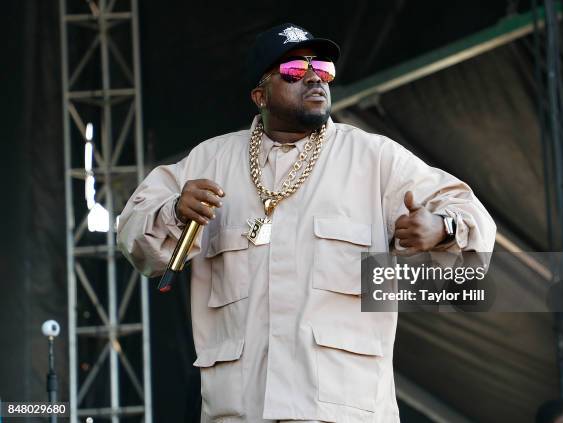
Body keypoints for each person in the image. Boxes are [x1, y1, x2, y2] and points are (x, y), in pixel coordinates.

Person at [118, 23, 496, 423]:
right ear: (259, 95)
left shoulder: (374, 158)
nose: (315, 77)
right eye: (296, 70)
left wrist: (442, 227)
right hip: (241, 412)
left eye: (324, 69)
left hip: (344, 412)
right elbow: (135, 238)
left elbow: (469, 213)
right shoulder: (210, 161)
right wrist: (175, 210)